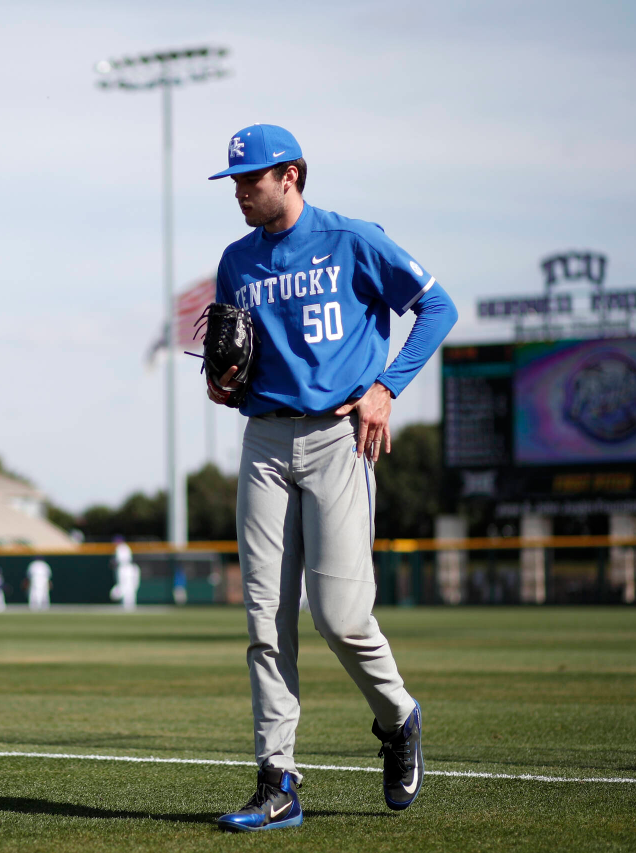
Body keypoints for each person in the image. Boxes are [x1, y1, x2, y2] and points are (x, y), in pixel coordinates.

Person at [205, 124, 458, 830]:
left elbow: (438, 307)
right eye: (234, 182)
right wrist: (222, 383)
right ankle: (277, 777)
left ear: (291, 175)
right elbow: (229, 365)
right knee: (265, 620)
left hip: (339, 438)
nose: (240, 193)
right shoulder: (236, 262)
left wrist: (388, 387)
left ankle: (398, 716)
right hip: (263, 440)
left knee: (342, 620)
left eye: (251, 180)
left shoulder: (353, 239)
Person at [109, 538, 140, 612]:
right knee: (128, 588)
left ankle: (128, 605)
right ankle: (127, 606)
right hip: (127, 569)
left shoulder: (121, 547)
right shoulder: (124, 547)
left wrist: (114, 562)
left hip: (125, 569)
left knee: (128, 588)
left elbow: (121, 560)